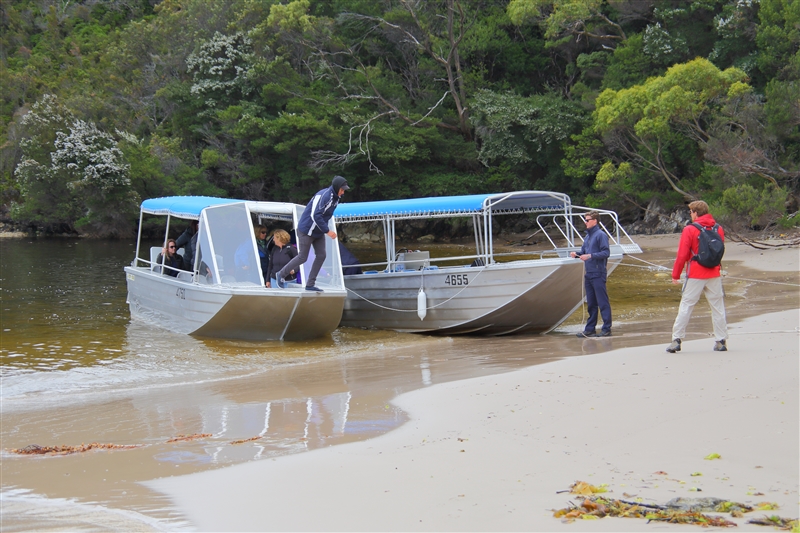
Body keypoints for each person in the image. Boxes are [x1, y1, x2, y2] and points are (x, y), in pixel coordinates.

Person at [666, 200, 728, 353]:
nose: (690, 215)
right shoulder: (718, 228)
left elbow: (682, 255)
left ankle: (676, 340)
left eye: (691, 212)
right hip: (714, 272)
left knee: (686, 306)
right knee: (717, 307)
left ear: (695, 212)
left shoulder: (690, 229)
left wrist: (675, 274)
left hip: (695, 274)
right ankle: (721, 341)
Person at [276, 175, 349, 291]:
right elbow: (315, 215)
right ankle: (281, 274)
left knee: (321, 255)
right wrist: (328, 231)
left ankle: (310, 284)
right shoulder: (324, 196)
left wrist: (324, 229)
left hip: (318, 231)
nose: (343, 192)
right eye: (342, 189)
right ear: (336, 187)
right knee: (302, 257)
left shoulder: (336, 198)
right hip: (306, 230)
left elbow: (327, 215)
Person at [570, 211, 612, 337]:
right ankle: (590, 329)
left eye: (587, 220)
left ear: (595, 221)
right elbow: (583, 252)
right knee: (591, 303)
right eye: (585, 220)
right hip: (589, 273)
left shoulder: (601, 235)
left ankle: (606, 328)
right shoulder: (588, 237)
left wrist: (590, 256)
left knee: (602, 302)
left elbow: (606, 253)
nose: (585, 222)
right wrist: (576, 254)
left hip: (598, 273)